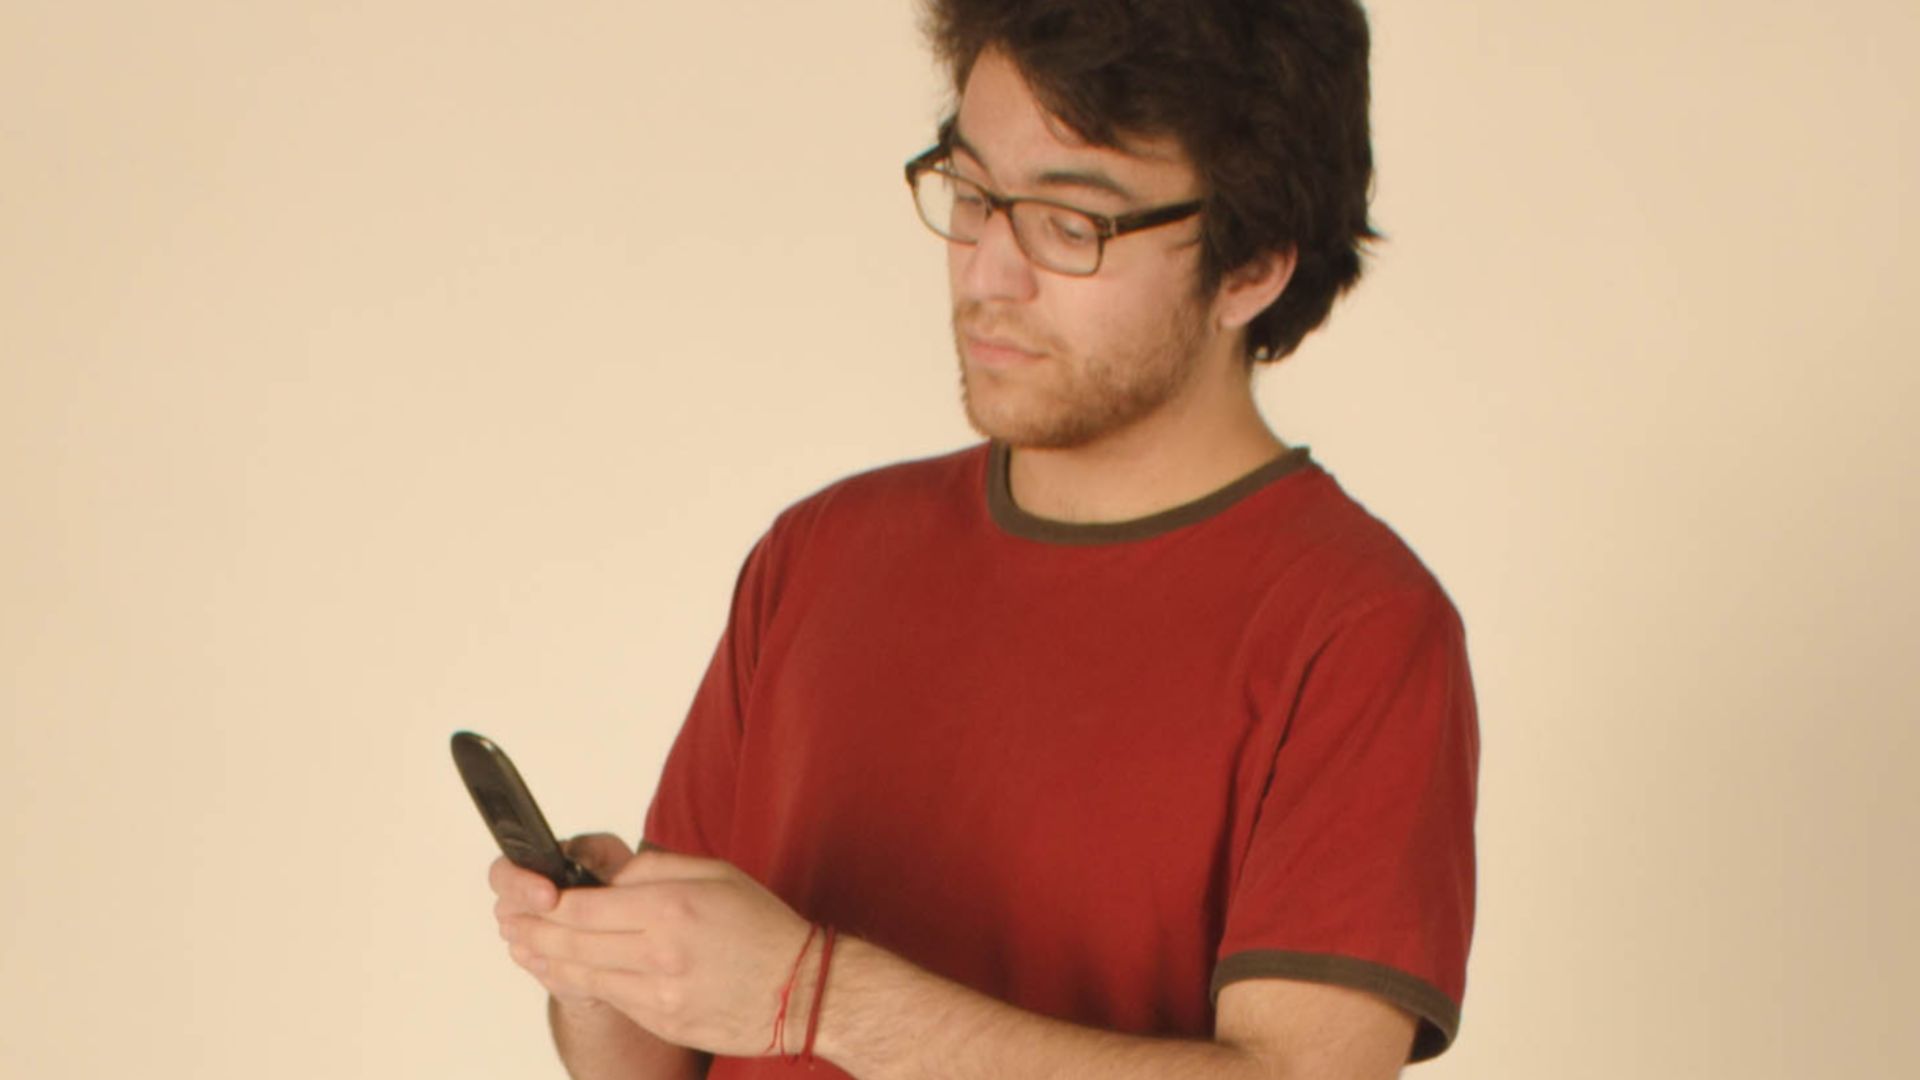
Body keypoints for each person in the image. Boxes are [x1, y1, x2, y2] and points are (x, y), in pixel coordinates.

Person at [487, 2, 1478, 1077]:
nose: (986, 275)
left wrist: (818, 995)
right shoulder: (821, 553)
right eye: (971, 195)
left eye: (1070, 225)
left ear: (1253, 268)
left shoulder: (1359, 630)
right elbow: (659, 1065)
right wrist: (599, 965)